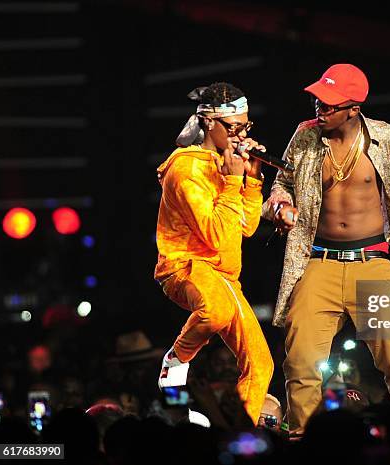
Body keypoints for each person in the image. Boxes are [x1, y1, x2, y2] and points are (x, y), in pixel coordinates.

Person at [263, 64, 390, 435]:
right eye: (318, 101)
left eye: (329, 104)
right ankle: (304, 442)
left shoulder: (386, 137)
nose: (319, 109)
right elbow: (282, 181)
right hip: (319, 262)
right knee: (300, 361)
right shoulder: (305, 135)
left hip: (373, 263)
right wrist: (280, 206)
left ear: (353, 108)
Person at [154, 82, 274, 424]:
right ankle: (176, 360)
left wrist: (252, 180)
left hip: (224, 276)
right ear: (208, 123)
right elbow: (215, 234)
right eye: (233, 128)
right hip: (186, 265)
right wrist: (234, 181)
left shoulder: (227, 161)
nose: (240, 136)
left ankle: (239, 433)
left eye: (245, 127)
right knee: (216, 311)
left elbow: (245, 227)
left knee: (261, 363)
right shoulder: (186, 169)